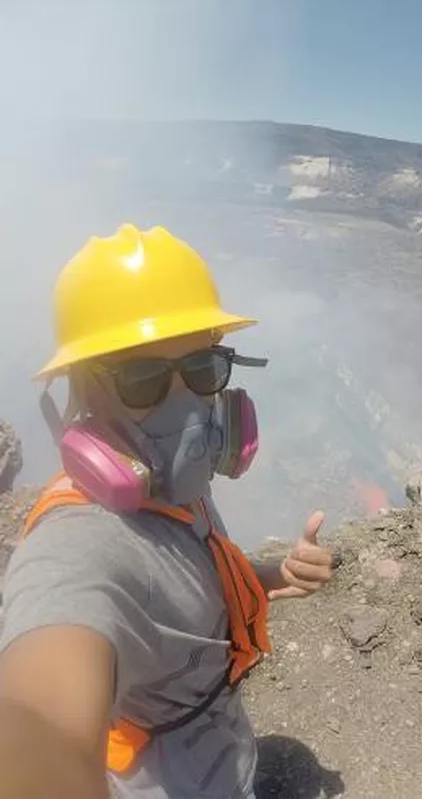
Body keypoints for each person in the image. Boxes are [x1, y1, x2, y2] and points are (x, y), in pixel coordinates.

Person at [0, 224, 336, 798]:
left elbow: (181, 584)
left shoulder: (174, 486)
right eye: (142, 379)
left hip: (225, 762)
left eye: (203, 370)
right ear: (83, 392)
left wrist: (272, 576)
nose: (187, 405)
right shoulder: (79, 547)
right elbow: (37, 740)